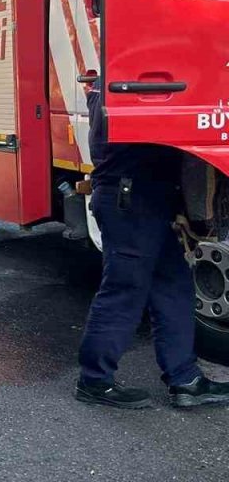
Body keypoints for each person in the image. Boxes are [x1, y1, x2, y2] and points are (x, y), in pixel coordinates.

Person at [75, 79, 229, 409]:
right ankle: (94, 380)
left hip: (142, 196)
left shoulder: (119, 82)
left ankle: (185, 379)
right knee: (125, 289)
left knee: (173, 286)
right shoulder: (127, 85)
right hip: (132, 198)